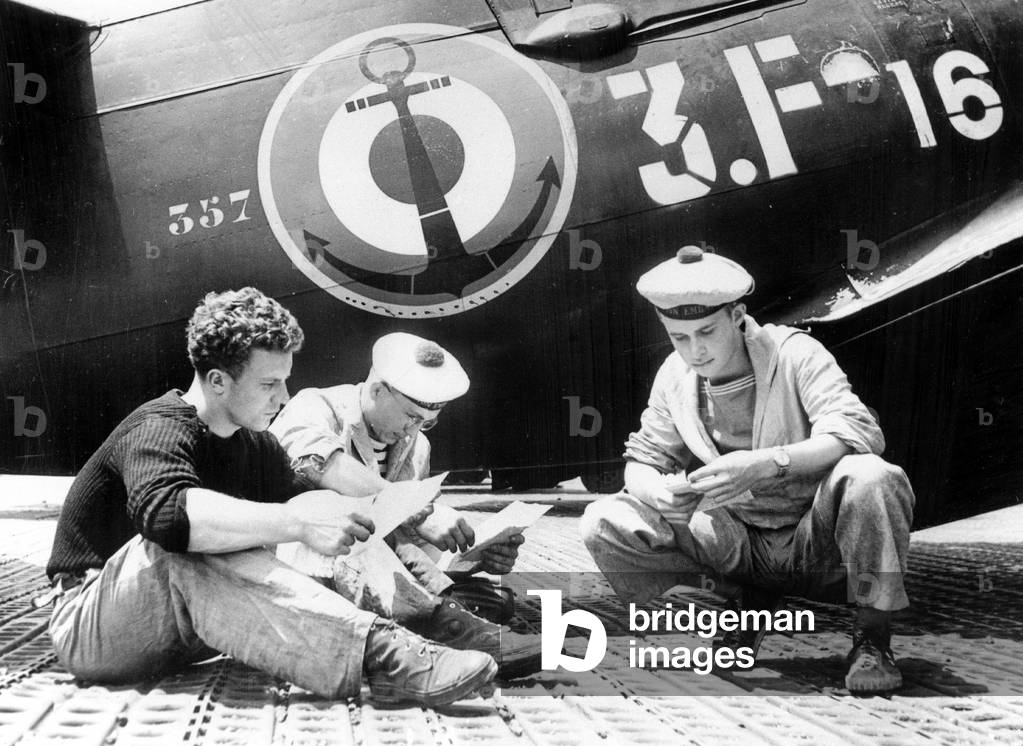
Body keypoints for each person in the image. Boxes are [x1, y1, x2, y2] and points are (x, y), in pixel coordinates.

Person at [43, 288, 497, 707]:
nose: (283, 396)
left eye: (285, 380)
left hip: (184, 628)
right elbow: (168, 516)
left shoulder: (255, 445)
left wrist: (385, 522)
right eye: (268, 384)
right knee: (183, 547)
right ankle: (385, 656)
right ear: (218, 381)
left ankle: (436, 623)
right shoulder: (158, 427)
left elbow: (317, 504)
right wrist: (297, 524)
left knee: (339, 514)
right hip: (92, 623)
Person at [580, 246, 915, 695]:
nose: (695, 350)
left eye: (706, 331)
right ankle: (734, 615)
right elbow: (642, 459)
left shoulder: (795, 352)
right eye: (679, 337)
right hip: (737, 544)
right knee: (604, 522)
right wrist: (656, 493)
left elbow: (855, 432)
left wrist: (768, 463)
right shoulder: (674, 374)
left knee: (874, 476)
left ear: (737, 314)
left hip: (816, 540)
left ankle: (872, 639)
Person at [268, 332, 541, 677]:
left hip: (364, 574)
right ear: (378, 389)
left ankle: (437, 612)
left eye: (427, 423)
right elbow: (316, 463)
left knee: (495, 601)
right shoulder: (316, 406)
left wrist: (475, 553)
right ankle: (442, 622)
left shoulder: (417, 446)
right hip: (295, 570)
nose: (414, 431)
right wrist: (412, 507)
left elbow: (408, 543)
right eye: (411, 417)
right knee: (328, 504)